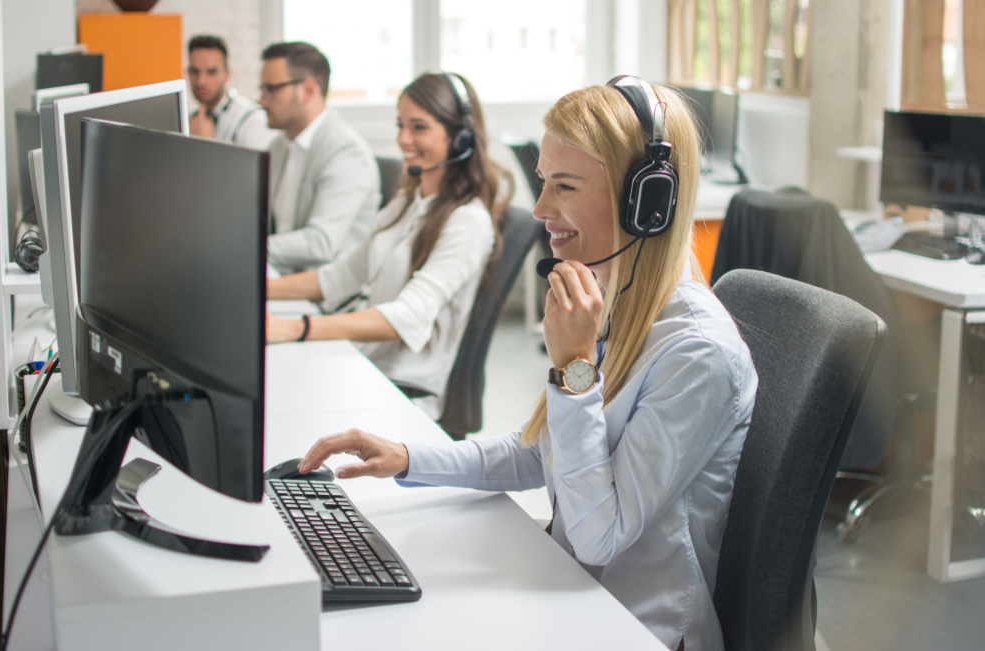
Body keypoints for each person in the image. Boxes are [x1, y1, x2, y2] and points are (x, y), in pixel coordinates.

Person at [290, 80, 758, 651]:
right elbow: (540, 450)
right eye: (544, 182)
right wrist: (409, 457)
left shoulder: (698, 353)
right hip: (572, 588)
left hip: (633, 624)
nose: (540, 210)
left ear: (646, 202)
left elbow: (597, 534)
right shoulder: (617, 299)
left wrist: (574, 369)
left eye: (564, 186)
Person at [267, 72, 511, 420]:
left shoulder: (467, 222)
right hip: (362, 364)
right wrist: (258, 289)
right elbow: (341, 276)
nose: (403, 139)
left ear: (461, 139)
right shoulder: (407, 202)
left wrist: (297, 328)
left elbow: (406, 316)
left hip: (399, 393)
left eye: (418, 127)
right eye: (400, 125)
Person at [261, 42, 380, 273]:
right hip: (284, 277)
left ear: (308, 90)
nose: (262, 100)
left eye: (270, 89)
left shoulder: (346, 152)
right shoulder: (279, 146)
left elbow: (321, 243)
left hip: (324, 297)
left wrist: (250, 248)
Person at [186, 35, 276, 150]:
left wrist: (206, 145)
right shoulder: (189, 121)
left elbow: (252, 168)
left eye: (211, 72)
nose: (201, 81)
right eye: (195, 72)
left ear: (227, 75)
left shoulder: (252, 120)